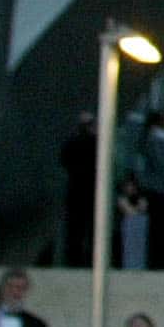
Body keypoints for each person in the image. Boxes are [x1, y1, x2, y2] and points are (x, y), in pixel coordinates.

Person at [129, 108, 164, 270]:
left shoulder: (150, 139)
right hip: (159, 191)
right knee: (162, 229)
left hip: (157, 190)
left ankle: (159, 262)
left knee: (160, 229)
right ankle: (160, 263)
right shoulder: (154, 140)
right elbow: (162, 166)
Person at [58, 113, 99, 267]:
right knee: (92, 228)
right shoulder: (97, 144)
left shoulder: (71, 143)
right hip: (92, 190)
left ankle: (73, 260)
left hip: (75, 189)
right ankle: (90, 260)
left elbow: (63, 161)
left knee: (75, 229)